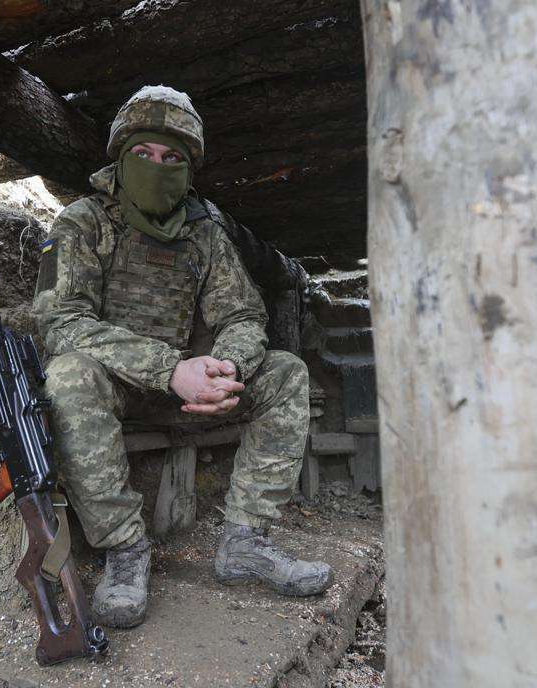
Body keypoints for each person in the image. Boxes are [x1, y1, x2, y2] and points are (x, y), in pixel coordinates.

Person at [33, 85, 331, 629]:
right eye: (143, 154)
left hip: (195, 393)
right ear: (120, 158)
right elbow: (61, 322)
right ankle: (125, 550)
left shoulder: (205, 234)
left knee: (287, 372)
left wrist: (228, 368)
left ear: (190, 170)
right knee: (68, 375)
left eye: (173, 158)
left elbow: (242, 315)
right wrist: (169, 370)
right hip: (119, 389)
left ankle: (246, 540)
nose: (157, 166)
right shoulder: (84, 223)